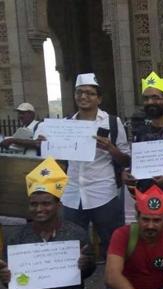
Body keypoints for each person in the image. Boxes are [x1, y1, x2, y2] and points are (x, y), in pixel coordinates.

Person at [0, 157, 95, 289]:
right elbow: (10, 281)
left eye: (46, 203)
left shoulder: (76, 233)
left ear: (58, 206)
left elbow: (88, 270)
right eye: (34, 204)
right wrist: (5, 277)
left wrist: (86, 265)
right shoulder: (16, 238)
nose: (39, 209)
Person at [52, 73, 130, 259]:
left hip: (103, 192)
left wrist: (110, 148)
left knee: (114, 245)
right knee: (72, 248)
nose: (83, 97)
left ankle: (116, 283)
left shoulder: (112, 122)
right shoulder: (65, 124)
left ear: (99, 98)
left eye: (89, 93)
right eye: (79, 92)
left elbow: (126, 160)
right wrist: (46, 144)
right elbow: (57, 159)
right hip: (72, 195)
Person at [122, 71, 163, 234]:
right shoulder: (140, 131)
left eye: (156, 98)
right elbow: (135, 163)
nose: (150, 102)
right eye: (146, 98)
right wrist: (128, 173)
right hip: (144, 198)